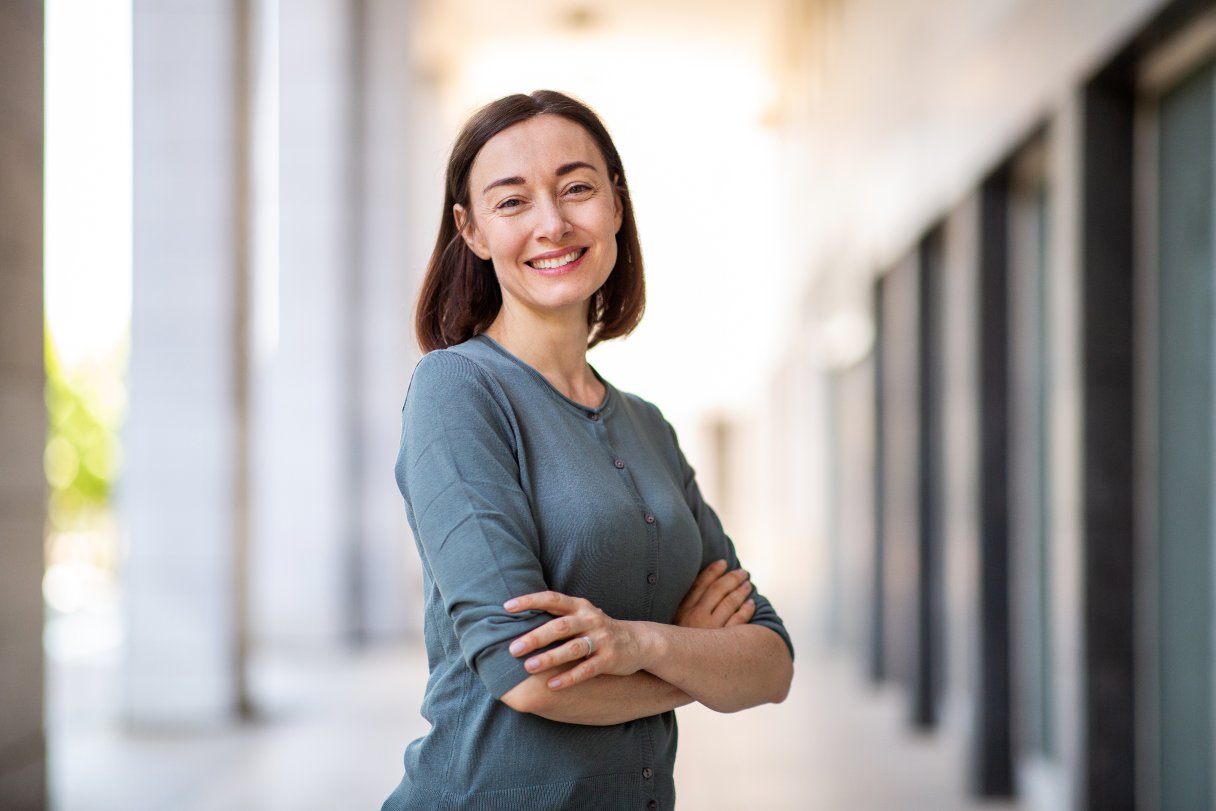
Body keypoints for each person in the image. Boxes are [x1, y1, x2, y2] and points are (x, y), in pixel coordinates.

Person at [382, 90, 794, 811]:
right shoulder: (456, 389)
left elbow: (771, 663)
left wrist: (640, 644)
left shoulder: (647, 425)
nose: (552, 223)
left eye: (576, 188)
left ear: (616, 204)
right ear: (471, 230)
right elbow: (530, 676)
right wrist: (696, 657)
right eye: (512, 202)